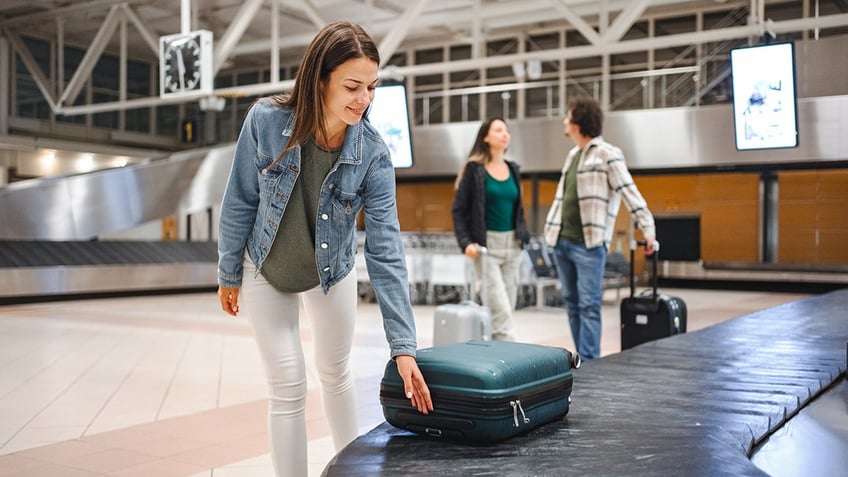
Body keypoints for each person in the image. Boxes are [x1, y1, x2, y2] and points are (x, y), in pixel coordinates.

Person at [216, 21, 433, 477]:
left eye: (371, 87)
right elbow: (239, 199)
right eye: (352, 86)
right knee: (289, 383)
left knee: (336, 375)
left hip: (330, 271)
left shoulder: (373, 153)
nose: (364, 99)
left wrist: (404, 346)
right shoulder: (266, 121)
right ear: (320, 79)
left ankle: (349, 472)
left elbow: (386, 247)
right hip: (266, 267)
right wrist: (228, 271)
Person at [543, 97, 655, 360]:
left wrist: (647, 227)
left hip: (589, 245)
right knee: (571, 304)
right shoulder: (572, 155)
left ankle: (591, 361)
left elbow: (629, 191)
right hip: (562, 242)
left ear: (578, 122)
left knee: (589, 305)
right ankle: (580, 359)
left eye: (568, 117)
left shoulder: (607, 153)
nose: (564, 121)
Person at [451, 118, 530, 341]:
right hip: (487, 249)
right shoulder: (474, 170)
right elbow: (458, 210)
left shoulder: (513, 169)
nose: (505, 134)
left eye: (506, 130)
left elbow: (518, 209)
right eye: (498, 130)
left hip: (514, 247)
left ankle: (493, 363)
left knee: (505, 310)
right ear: (485, 137)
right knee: (501, 313)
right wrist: (466, 242)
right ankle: (512, 366)